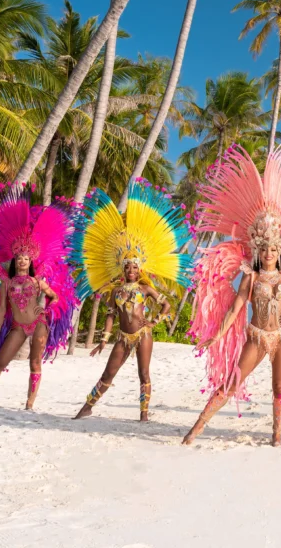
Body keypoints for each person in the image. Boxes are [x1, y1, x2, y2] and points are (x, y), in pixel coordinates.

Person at [182, 144, 281, 446]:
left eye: (272, 249)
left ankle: (277, 438)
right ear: (257, 250)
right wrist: (218, 334)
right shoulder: (250, 277)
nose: (267, 253)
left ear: (280, 251)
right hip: (256, 336)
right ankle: (196, 429)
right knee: (232, 381)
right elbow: (236, 308)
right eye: (263, 248)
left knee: (280, 388)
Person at [72, 180, 190, 422]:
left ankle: (144, 413)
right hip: (122, 338)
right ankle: (87, 407)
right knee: (109, 372)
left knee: (143, 373)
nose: (131, 270)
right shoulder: (115, 292)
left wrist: (154, 321)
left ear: (140, 269)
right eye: (128, 267)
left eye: (135, 267)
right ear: (123, 269)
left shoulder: (145, 288)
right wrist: (103, 341)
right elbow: (110, 316)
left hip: (143, 335)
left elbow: (166, 304)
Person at [0, 183, 78, 411]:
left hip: (38, 325)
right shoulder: (6, 282)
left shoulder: (38, 282)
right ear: (15, 260)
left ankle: (29, 404)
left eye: (26, 257)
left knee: (34, 363)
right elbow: (2, 311)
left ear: (31, 261)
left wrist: (46, 311)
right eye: (20, 257)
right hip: (17, 326)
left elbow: (54, 297)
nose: (23, 259)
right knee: (0, 362)